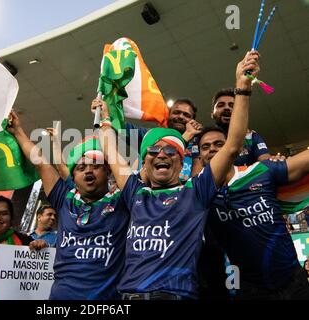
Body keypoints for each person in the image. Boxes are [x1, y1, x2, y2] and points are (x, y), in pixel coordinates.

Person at [94, 50, 260, 300]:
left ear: (181, 159)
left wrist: (242, 88)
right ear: (145, 163)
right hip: (128, 297)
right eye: (153, 149)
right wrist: (103, 118)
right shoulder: (133, 190)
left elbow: (233, 145)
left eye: (171, 150)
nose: (161, 154)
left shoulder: (196, 191)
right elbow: (110, 149)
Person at [7, 112, 130, 300]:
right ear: (73, 178)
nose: (88, 170)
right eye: (80, 168)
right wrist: (18, 131)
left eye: (95, 165)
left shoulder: (123, 201)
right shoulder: (65, 199)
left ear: (108, 171)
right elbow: (40, 163)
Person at [198, 126, 309, 299]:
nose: (212, 148)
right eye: (205, 147)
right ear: (200, 157)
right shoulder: (198, 195)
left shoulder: (261, 170)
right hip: (252, 291)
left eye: (219, 143)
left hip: (295, 283)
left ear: (231, 148)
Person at [124, 98, 203, 182]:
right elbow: (119, 126)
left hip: (183, 193)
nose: (180, 117)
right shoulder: (149, 135)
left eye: (186, 115)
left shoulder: (199, 148)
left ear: (193, 121)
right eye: (176, 113)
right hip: (147, 193)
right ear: (168, 116)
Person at [209, 88, 271, 166]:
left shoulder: (251, 137)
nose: (227, 108)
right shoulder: (203, 141)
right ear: (212, 113)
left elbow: (267, 165)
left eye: (232, 105)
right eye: (221, 105)